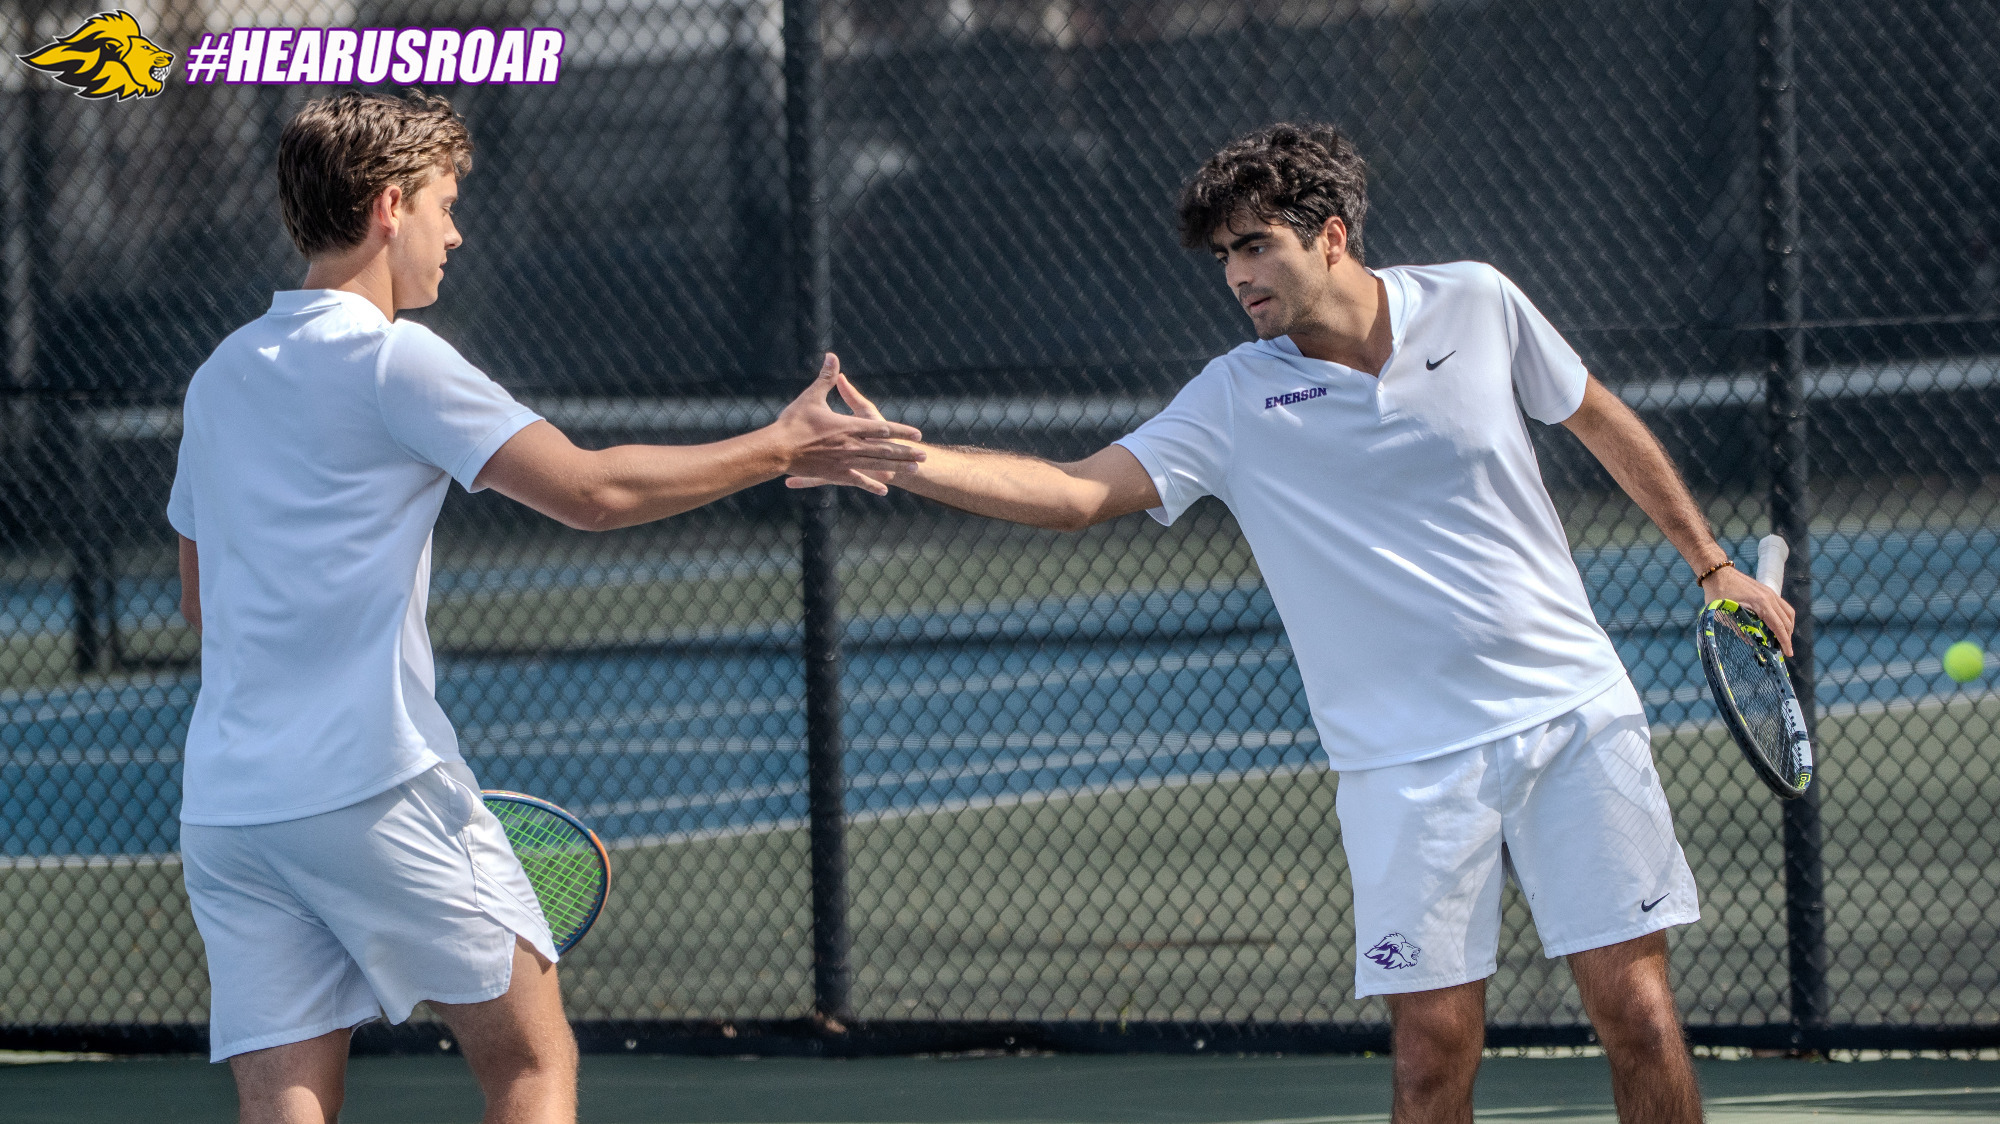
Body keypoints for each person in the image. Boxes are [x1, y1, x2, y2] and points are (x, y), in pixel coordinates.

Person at [793, 123, 1794, 1124]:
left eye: (1253, 243)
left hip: (1573, 714)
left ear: (1330, 233)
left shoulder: (1476, 301)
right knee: (1430, 1054)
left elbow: (1596, 416)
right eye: (1223, 254)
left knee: (1638, 1012)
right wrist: (901, 456)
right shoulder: (1232, 397)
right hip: (1405, 764)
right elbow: (1072, 492)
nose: (1235, 274)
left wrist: (1711, 565)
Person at [167, 89, 921, 1124]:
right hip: (375, 786)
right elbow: (590, 491)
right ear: (390, 207)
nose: (456, 230)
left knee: (285, 1099)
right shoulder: (394, 358)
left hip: (229, 810)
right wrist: (783, 445)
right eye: (445, 202)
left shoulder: (218, 376)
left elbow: (202, 600)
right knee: (531, 1062)